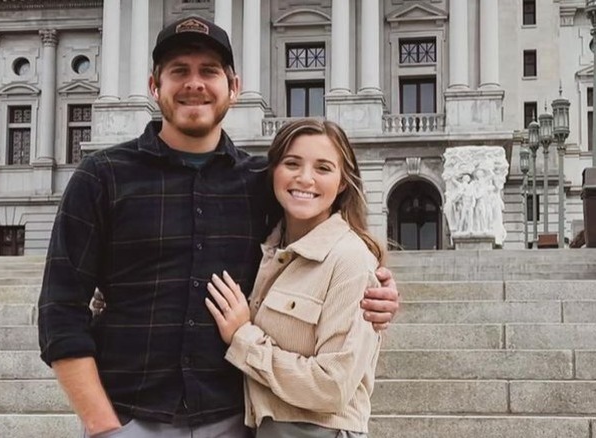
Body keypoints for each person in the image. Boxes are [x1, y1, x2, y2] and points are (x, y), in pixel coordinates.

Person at [37, 15, 399, 438]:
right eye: (179, 71)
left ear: (234, 87)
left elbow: (322, 249)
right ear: (154, 86)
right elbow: (60, 309)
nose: (195, 83)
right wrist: (103, 427)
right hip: (128, 416)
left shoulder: (262, 183)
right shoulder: (102, 176)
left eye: (209, 71)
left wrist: (377, 290)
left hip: (235, 419)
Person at [206, 118, 383, 437]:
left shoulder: (351, 259)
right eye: (292, 163)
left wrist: (243, 338)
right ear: (273, 170)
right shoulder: (267, 248)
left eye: (323, 168)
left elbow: (332, 386)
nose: (305, 178)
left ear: (343, 182)